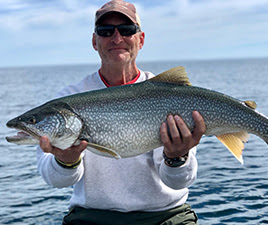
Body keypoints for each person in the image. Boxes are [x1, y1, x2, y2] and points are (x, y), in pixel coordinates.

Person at [37, 0, 206, 224]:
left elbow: (178, 182)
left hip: (165, 216)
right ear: (94, 41)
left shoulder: (171, 97)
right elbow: (55, 180)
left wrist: (177, 158)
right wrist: (66, 162)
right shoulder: (66, 102)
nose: (117, 38)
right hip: (93, 217)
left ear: (141, 39)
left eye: (126, 30)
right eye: (106, 31)